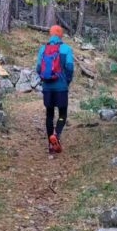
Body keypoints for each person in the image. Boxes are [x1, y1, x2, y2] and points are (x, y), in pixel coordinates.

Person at [36, 24, 74, 154]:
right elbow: (69, 68)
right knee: (62, 114)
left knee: (49, 114)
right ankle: (56, 135)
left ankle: (50, 145)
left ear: (51, 35)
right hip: (61, 87)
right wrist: (67, 81)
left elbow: (38, 68)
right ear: (61, 35)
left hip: (47, 87)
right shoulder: (66, 49)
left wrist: (44, 80)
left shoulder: (43, 49)